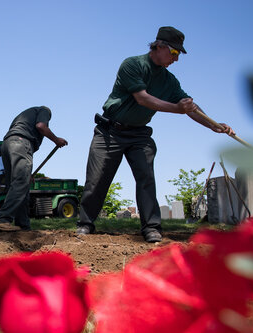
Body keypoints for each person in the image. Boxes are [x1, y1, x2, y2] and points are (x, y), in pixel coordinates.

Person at [76, 26, 235, 242]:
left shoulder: (169, 81)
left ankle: (151, 228)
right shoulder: (133, 64)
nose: (176, 59)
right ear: (159, 46)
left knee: (146, 178)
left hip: (139, 136)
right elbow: (143, 98)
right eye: (174, 53)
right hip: (109, 132)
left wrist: (213, 124)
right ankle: (85, 224)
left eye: (179, 55)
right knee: (96, 181)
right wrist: (177, 108)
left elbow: (191, 107)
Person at [0, 106, 68, 232]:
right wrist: (56, 140)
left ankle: (23, 226)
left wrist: (27, 174)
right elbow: (41, 126)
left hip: (6, 145)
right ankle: (2, 220)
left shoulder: (23, 116)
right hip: (21, 142)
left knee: (19, 185)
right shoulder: (44, 111)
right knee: (21, 183)